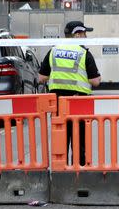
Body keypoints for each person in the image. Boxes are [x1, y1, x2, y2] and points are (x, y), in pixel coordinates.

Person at [38, 20, 101, 166]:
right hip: (79, 103)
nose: (85, 37)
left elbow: (41, 78)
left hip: (58, 103)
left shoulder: (53, 51)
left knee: (61, 138)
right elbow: (95, 81)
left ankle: (61, 170)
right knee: (79, 141)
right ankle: (78, 172)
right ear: (77, 35)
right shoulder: (83, 53)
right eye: (84, 33)